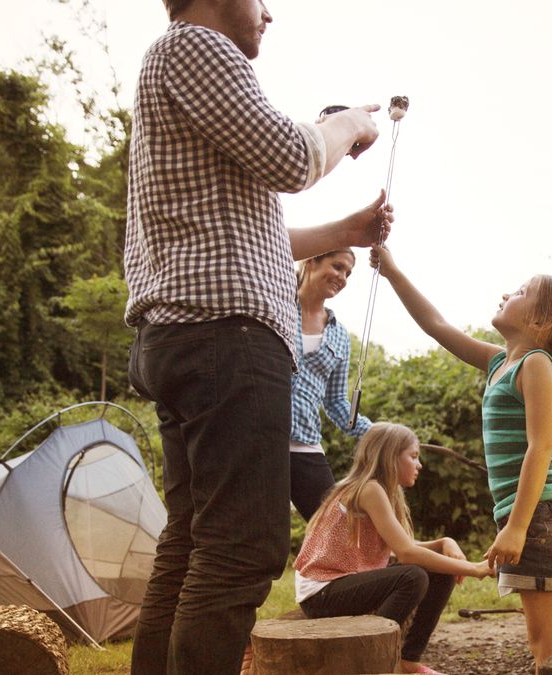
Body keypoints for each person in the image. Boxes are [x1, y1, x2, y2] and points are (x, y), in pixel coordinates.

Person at [124, 1, 389, 672]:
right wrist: (349, 122)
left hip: (185, 338)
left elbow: (256, 232)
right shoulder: (197, 47)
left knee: (190, 545)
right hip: (227, 340)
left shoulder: (173, 68)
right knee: (242, 548)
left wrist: (345, 232)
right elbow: (294, 155)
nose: (268, 14)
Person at [370, 245, 552, 671]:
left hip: (541, 517)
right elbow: (436, 326)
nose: (506, 294)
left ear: (540, 321)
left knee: (545, 644)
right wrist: (394, 272)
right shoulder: (500, 363)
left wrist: (517, 528)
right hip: (532, 516)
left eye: (520, 292)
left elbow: (540, 448)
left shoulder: (536, 365)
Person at [294, 423, 494, 675]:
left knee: (437, 570)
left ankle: (408, 660)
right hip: (321, 592)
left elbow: (402, 546)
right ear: (389, 457)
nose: (419, 464)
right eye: (413, 456)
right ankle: (373, 661)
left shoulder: (381, 490)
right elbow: (407, 553)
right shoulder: (369, 489)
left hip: (341, 583)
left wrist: (445, 543)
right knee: (413, 576)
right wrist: (476, 569)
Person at [289, 248, 373, 521]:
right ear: (312, 259)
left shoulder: (339, 335)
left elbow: (336, 402)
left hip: (304, 444)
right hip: (258, 438)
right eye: (337, 267)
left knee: (335, 527)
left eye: (348, 273)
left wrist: (372, 432)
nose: (343, 278)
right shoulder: (276, 306)